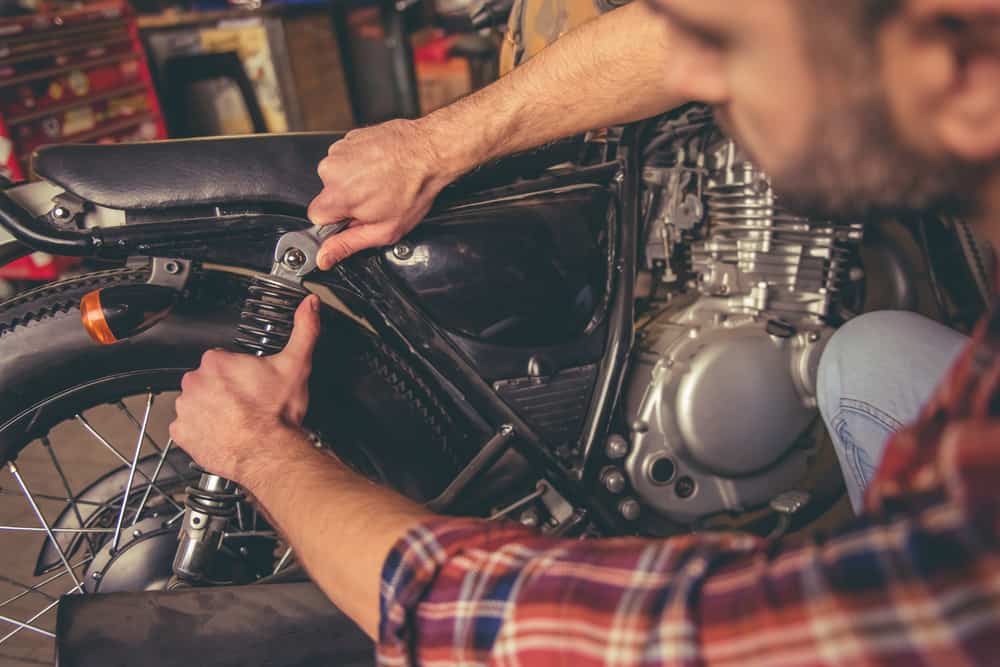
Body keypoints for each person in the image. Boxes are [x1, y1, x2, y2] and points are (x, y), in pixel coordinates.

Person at [169, 0, 1000, 663]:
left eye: (721, 42)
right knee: (873, 353)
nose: (690, 71)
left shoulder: (957, 574)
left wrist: (260, 452)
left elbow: (640, 635)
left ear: (958, 61)